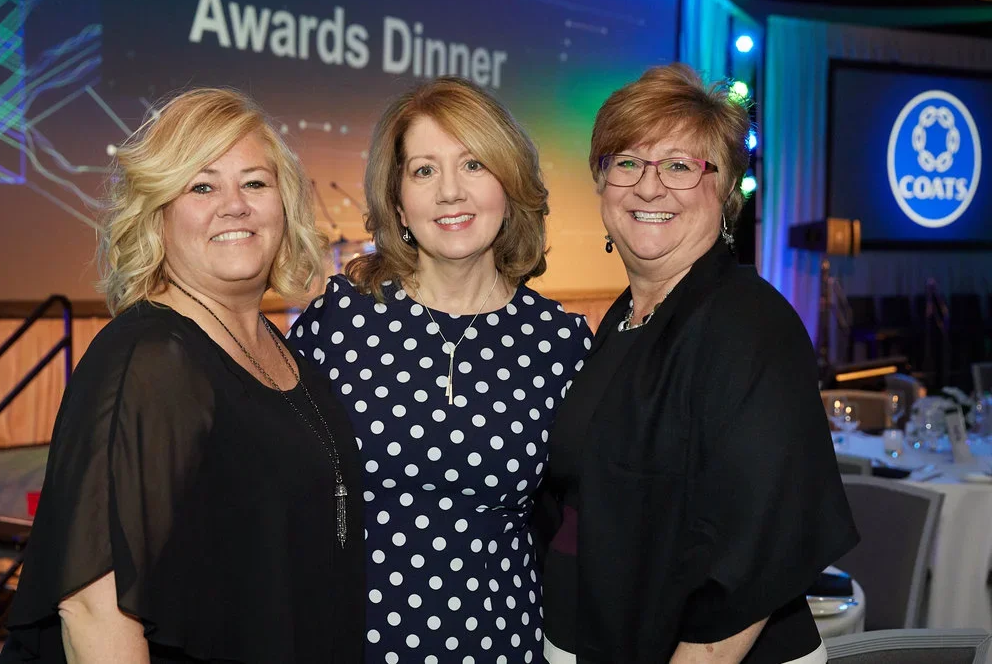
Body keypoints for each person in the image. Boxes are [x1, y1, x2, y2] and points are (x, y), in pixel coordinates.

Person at [1, 88, 364, 664]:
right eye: (201, 185)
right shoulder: (149, 360)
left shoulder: (282, 352)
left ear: (284, 205)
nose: (234, 205)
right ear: (158, 214)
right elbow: (94, 609)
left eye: (254, 182)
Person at [541, 63, 859, 664]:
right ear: (602, 183)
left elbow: (756, 549)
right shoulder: (625, 319)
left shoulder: (749, 324)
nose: (649, 186)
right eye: (627, 162)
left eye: (681, 166)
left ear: (728, 191)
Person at [288, 77, 592, 663]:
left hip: (501, 643)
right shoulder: (341, 321)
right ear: (398, 200)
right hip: (347, 641)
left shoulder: (560, 342)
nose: (451, 192)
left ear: (509, 185)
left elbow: (587, 518)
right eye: (424, 171)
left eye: (474, 164)